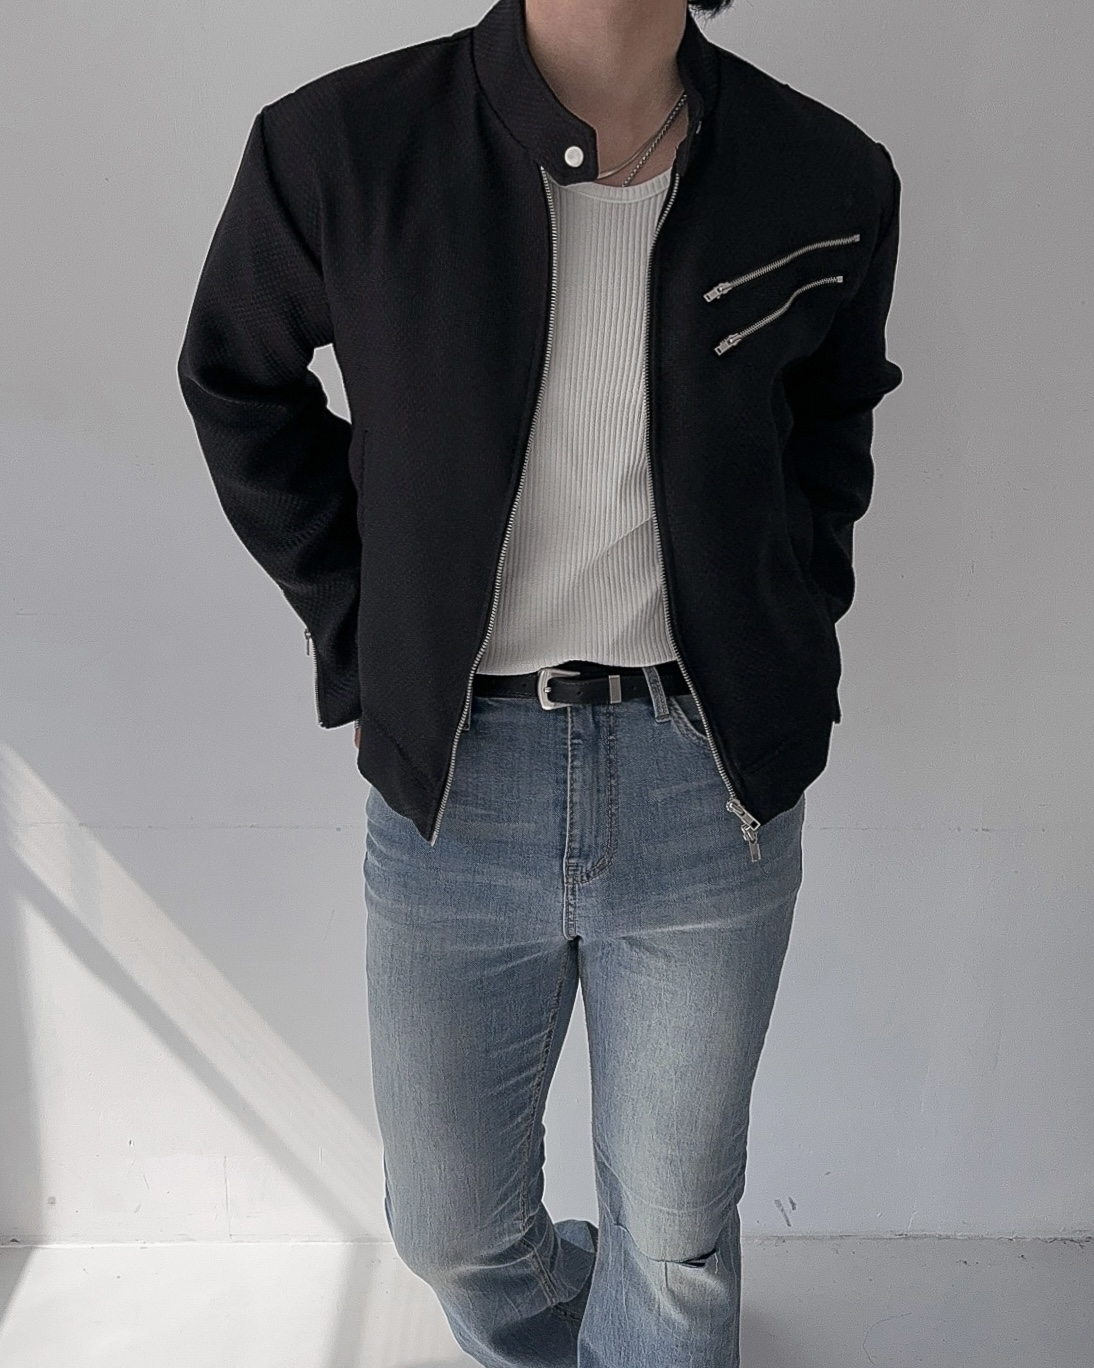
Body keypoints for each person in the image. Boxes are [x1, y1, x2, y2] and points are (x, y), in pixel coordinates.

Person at [177, 0, 903, 1362]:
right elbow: (238, 382)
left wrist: (788, 628)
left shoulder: (823, 171)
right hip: (457, 783)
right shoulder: (340, 146)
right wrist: (368, 631)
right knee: (449, 1229)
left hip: (707, 784)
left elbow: (831, 424)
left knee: (675, 1245)